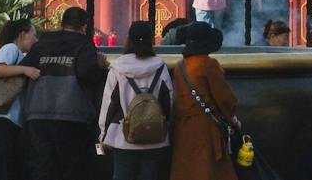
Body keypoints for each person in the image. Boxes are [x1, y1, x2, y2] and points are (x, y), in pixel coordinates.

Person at [21, 6, 104, 178]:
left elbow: (25, 68)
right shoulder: (84, 44)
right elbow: (86, 73)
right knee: (71, 168)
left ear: (61, 24)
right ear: (84, 27)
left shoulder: (42, 43)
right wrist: (101, 68)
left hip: (37, 115)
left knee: (43, 167)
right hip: (72, 115)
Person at [100, 20, 172, 180]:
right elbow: (169, 102)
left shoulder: (117, 68)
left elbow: (109, 103)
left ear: (129, 40)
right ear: (151, 41)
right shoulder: (160, 67)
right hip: (155, 136)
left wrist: (103, 133)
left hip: (122, 136)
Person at [171, 21, 238, 180]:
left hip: (183, 129)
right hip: (206, 129)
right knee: (208, 171)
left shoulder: (180, 67)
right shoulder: (209, 64)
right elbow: (225, 99)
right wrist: (232, 118)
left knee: (188, 171)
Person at [0, 18, 41, 180]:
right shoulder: (11, 48)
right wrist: (26, 69)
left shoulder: (20, 53)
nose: (36, 40)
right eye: (33, 35)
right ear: (22, 35)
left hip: (4, 121)